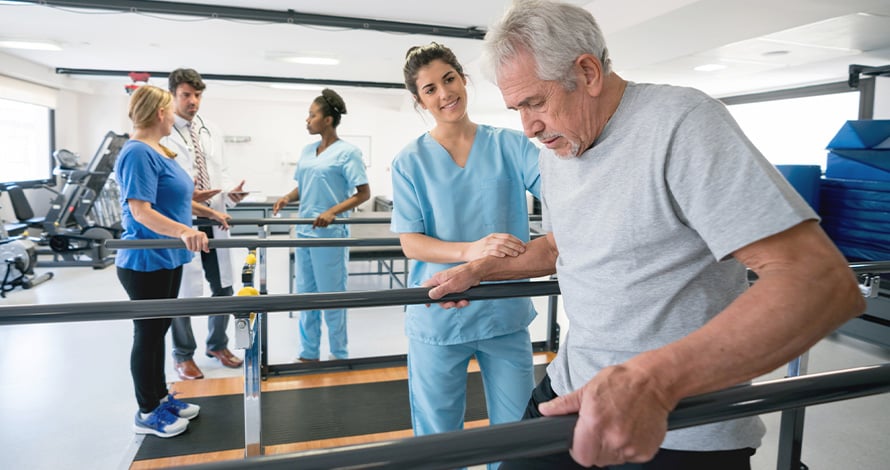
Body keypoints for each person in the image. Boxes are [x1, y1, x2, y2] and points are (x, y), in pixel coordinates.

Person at [423, 1, 866, 468]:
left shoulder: (682, 122)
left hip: (679, 423)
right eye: (517, 108)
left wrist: (655, 381)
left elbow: (818, 282)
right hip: (572, 389)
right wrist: (485, 268)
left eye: (535, 102)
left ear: (588, 72)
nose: (528, 127)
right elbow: (559, 245)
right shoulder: (558, 149)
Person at [390, 42, 541, 448]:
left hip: (503, 312)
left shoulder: (511, 146)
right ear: (418, 100)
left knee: (516, 435)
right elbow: (411, 242)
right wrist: (469, 251)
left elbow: (567, 188)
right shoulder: (409, 161)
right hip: (439, 313)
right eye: (430, 89)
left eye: (449, 79)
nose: (444, 94)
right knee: (438, 438)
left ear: (463, 79)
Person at [114, 85, 230, 438]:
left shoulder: (158, 151)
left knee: (160, 330)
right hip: (144, 259)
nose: (177, 115)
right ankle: (147, 411)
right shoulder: (136, 152)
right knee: (148, 335)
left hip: (167, 256)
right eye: (171, 108)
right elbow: (140, 210)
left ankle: (160, 397)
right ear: (160, 113)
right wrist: (183, 231)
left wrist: (208, 210)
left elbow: (175, 196)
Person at [272, 89, 370, 361]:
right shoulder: (307, 151)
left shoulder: (348, 153)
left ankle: (339, 353)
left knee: (333, 297)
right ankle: (308, 352)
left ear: (327, 120)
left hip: (331, 235)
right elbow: (303, 187)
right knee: (306, 295)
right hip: (303, 232)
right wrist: (286, 197)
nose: (307, 120)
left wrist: (331, 212)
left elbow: (363, 193)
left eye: (312, 115)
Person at [161, 68, 246, 380]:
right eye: (186, 95)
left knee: (223, 287)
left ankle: (217, 344)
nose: (193, 101)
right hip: (181, 222)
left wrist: (230, 196)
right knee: (183, 293)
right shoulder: (164, 130)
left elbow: (218, 171)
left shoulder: (210, 129)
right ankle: (183, 355)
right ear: (173, 95)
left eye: (197, 95)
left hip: (214, 218)